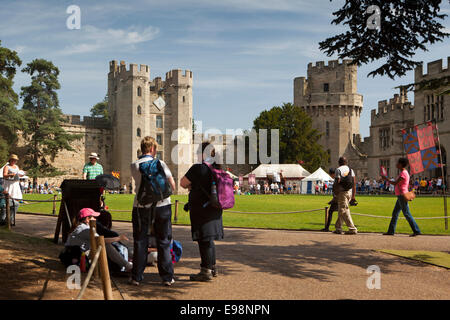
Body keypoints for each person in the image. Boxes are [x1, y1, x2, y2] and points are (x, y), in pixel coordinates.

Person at [129, 136, 176, 287]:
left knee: (140, 241)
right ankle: (167, 277)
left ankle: (137, 277)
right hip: (163, 206)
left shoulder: (134, 165)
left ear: (142, 149)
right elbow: (172, 186)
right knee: (164, 241)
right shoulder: (160, 163)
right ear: (153, 149)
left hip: (141, 207)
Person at [180, 142, 223, 281]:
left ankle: (206, 271)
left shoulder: (198, 168)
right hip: (215, 208)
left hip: (202, 209)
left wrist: (192, 184)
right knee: (209, 240)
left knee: (204, 240)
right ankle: (212, 267)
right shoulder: (217, 168)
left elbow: (183, 183)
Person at [62, 208, 132, 271]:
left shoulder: (82, 226)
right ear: (87, 219)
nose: (96, 219)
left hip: (78, 253)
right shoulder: (84, 229)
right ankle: (126, 265)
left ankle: (128, 263)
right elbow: (101, 240)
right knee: (106, 245)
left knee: (111, 245)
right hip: (78, 257)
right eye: (94, 217)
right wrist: (118, 238)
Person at [381, 158, 421, 236]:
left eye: (398, 163)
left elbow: (395, 183)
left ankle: (416, 230)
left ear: (401, 164)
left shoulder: (403, 173)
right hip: (400, 195)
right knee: (395, 213)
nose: (396, 164)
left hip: (402, 195)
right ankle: (391, 231)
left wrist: (386, 179)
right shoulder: (403, 172)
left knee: (406, 213)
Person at [333, 156, 358, 235]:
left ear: (339, 162)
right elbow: (354, 183)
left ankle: (352, 228)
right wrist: (353, 196)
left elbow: (337, 182)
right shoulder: (351, 170)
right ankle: (338, 227)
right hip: (349, 192)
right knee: (342, 209)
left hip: (342, 192)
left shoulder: (338, 170)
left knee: (344, 210)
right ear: (346, 162)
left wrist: (335, 194)